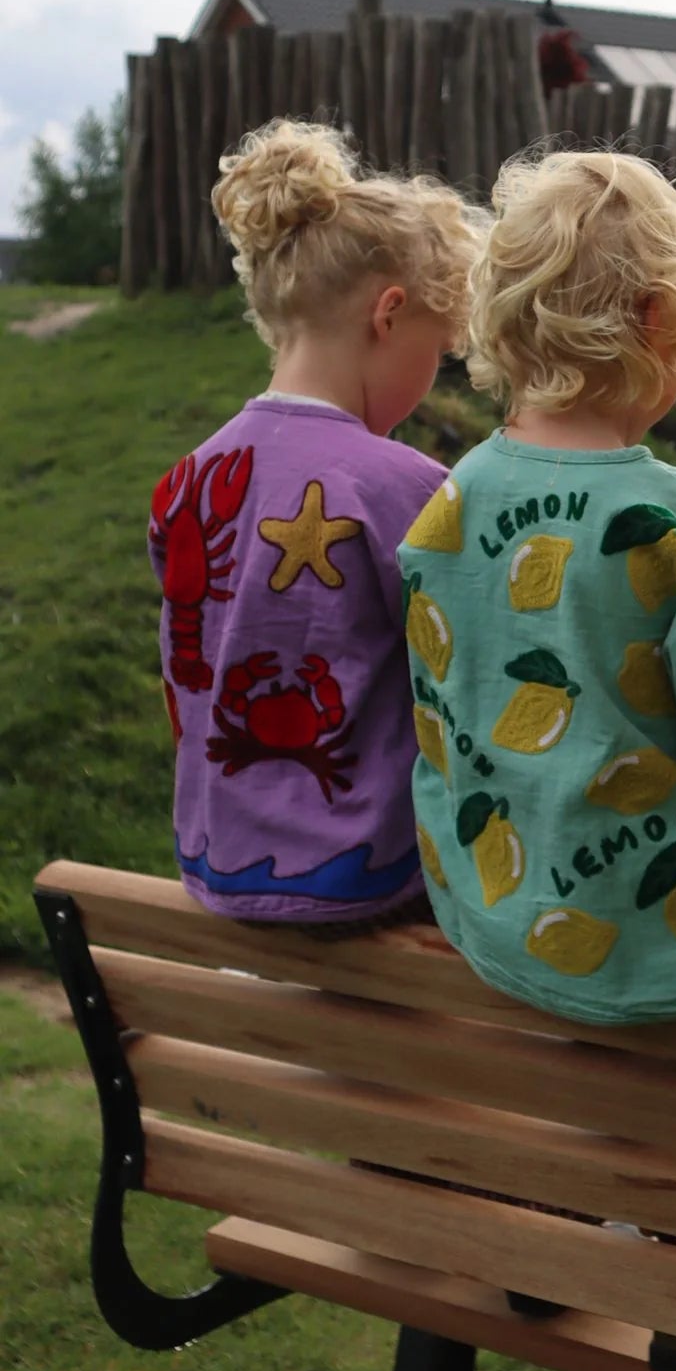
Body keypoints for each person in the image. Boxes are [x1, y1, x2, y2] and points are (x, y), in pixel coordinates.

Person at [399, 144, 676, 1371]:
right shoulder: (671, 520)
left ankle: (558, 1213)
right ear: (665, 320)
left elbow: (444, 711)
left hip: (502, 908)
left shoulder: (451, 501)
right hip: (662, 934)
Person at [149, 119, 482, 930]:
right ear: (389, 314)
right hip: (371, 881)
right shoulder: (409, 489)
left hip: (215, 862)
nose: (432, 375)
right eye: (438, 349)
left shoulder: (185, 481)